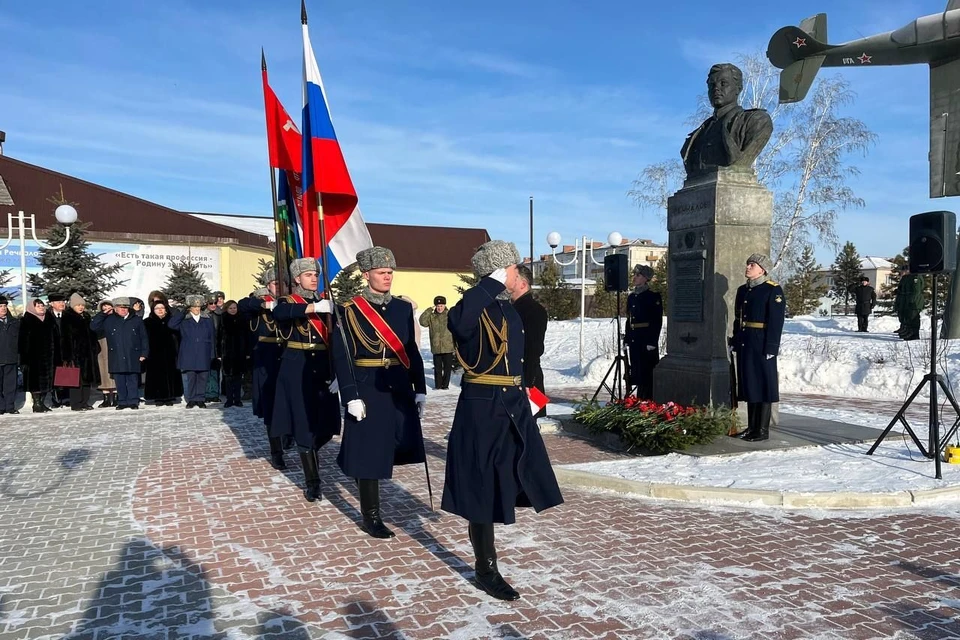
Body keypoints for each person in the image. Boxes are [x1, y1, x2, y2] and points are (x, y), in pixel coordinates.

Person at [443, 240, 563, 601]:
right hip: (482, 407)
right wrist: (490, 284)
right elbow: (458, 323)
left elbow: (522, 357)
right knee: (481, 488)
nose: (516, 274)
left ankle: (499, 529)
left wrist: (530, 393)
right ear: (498, 272)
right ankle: (486, 569)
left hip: (514, 401)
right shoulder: (475, 306)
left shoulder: (507, 308)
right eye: (512, 268)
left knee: (520, 473)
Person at [332, 247, 426, 538]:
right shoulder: (348, 308)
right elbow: (342, 354)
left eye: (390, 272)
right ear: (366, 274)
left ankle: (367, 485)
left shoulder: (400, 308)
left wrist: (420, 388)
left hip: (397, 382)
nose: (388, 277)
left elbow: (410, 350)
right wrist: (350, 395)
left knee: (393, 443)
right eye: (382, 273)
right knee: (369, 450)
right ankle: (371, 515)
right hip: (366, 384)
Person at [272, 258, 341, 502]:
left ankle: (308, 445)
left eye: (316, 274)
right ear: (297, 278)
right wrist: (312, 309)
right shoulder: (289, 301)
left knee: (326, 426)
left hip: (323, 365)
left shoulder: (326, 303)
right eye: (308, 274)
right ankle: (313, 481)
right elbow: (280, 313)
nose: (314, 278)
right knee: (303, 423)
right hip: (297, 366)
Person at [681, 63, 773, 178]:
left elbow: (741, 162)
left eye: (723, 83)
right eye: (711, 85)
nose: (716, 88)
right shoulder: (700, 133)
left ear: (738, 88)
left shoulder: (756, 120)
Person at [731, 254, 786, 442]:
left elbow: (776, 321)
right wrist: (736, 339)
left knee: (763, 385)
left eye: (752, 265)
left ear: (762, 269)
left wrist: (772, 346)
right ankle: (751, 427)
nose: (748, 267)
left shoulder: (772, 290)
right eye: (747, 264)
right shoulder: (743, 290)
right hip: (747, 342)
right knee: (750, 385)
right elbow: (739, 319)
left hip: (762, 343)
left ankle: (762, 430)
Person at [239, 268, 285, 469]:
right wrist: (265, 304)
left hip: (286, 359)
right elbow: (242, 305)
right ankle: (276, 452)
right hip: (266, 362)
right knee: (271, 409)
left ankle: (289, 437)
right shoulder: (258, 306)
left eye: (281, 283)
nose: (279, 286)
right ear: (267, 286)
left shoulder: (289, 303)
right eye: (275, 283)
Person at [91, 297, 149, 410]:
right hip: (116, 355)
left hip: (133, 354)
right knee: (120, 380)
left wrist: (144, 353)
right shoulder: (109, 320)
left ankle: (133, 401)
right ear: (115, 308)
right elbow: (94, 326)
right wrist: (104, 313)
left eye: (125, 307)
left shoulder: (136, 320)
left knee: (132, 379)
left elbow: (144, 338)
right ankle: (122, 401)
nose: (123, 310)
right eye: (120, 307)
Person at [510, 265, 548, 417]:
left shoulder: (534, 310)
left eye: (514, 278)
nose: (509, 282)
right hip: (515, 379)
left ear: (523, 284)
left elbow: (534, 348)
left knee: (526, 429)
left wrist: (528, 383)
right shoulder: (511, 308)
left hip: (527, 379)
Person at [168, 295, 216, 408]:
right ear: (190, 308)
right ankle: (192, 399)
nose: (197, 309)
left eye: (198, 307)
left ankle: (200, 399)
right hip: (189, 352)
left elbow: (212, 337)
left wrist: (213, 353)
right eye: (194, 307)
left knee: (203, 377)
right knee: (191, 377)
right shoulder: (185, 319)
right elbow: (171, 324)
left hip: (204, 351)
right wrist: (182, 312)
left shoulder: (207, 319)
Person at [625, 264, 663, 400]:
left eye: (638, 275)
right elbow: (629, 320)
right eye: (635, 275)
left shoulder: (653, 297)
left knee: (647, 374)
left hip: (646, 340)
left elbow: (656, 321)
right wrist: (627, 338)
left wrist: (652, 341)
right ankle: (639, 401)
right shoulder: (632, 297)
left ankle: (648, 401)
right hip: (635, 339)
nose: (635, 277)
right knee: (636, 373)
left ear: (646, 279)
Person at [61, 293, 100, 411]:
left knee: (87, 379)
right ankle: (76, 403)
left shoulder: (86, 317)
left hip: (88, 354)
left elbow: (92, 333)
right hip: (75, 354)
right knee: (76, 381)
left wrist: (95, 347)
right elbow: (65, 338)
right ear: (73, 306)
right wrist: (67, 356)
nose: (80, 307)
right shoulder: (68, 317)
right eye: (78, 305)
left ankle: (84, 402)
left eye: (82, 305)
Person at [143, 301, 183, 406]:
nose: (160, 310)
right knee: (156, 375)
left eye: (162, 308)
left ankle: (170, 396)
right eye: (157, 308)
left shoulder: (171, 321)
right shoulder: (147, 322)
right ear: (153, 310)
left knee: (171, 375)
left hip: (170, 352)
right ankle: (158, 397)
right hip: (154, 353)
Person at [19, 299, 54, 413]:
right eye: (38, 306)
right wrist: (23, 359)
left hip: (48, 356)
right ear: (32, 307)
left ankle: (42, 402)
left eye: (42, 305)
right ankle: (37, 403)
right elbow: (22, 341)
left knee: (47, 381)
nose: (41, 307)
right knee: (34, 382)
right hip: (32, 358)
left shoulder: (49, 319)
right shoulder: (27, 320)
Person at [419, 295, 455, 390]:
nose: (440, 308)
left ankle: (445, 385)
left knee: (447, 368)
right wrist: (429, 310)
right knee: (437, 368)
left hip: (448, 346)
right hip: (436, 346)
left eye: (441, 305)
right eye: (438, 306)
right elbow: (422, 322)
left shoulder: (449, 315)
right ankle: (438, 386)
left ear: (444, 305)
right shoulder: (432, 316)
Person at [220, 300, 250, 408]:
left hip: (239, 352)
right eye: (230, 308)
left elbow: (247, 336)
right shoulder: (223, 319)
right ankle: (229, 399)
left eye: (234, 308)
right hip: (227, 353)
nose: (233, 310)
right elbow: (218, 336)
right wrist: (219, 352)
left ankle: (237, 399)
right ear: (226, 309)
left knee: (238, 378)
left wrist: (247, 352)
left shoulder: (242, 319)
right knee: (228, 378)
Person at [94, 301, 118, 408]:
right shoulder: (99, 319)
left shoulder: (117, 318)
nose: (107, 308)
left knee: (115, 370)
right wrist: (102, 315)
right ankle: (106, 398)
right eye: (104, 307)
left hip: (115, 346)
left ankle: (117, 396)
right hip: (102, 345)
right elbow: (94, 326)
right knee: (103, 370)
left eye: (109, 306)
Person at [48, 293, 68, 407]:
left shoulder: (68, 316)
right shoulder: (48, 317)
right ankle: (56, 397)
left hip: (66, 350)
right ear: (52, 304)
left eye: (63, 301)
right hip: (53, 351)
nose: (62, 304)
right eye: (59, 302)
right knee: (54, 375)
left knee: (67, 373)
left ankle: (66, 397)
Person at [0, 296, 20, 414]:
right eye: (0, 306)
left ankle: (10, 406)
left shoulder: (14, 322)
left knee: (11, 385)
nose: (3, 309)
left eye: (4, 306)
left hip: (11, 358)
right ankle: (1, 406)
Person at [895, 269, 924, 341]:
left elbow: (916, 291)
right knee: (909, 318)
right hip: (908, 300)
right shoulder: (907, 277)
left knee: (914, 318)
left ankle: (914, 334)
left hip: (914, 302)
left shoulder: (915, 277)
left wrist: (911, 300)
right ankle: (909, 332)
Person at [204, 294, 223, 403]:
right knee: (206, 372)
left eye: (215, 303)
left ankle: (215, 394)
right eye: (210, 303)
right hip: (206, 347)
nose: (213, 305)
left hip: (217, 347)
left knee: (215, 372)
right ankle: (206, 394)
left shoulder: (220, 315)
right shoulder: (203, 315)